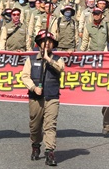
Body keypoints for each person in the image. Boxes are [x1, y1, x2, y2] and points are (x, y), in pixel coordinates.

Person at [21, 30, 64, 166]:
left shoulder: (57, 59)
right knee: (35, 125)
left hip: (52, 97)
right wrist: (34, 87)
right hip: (35, 97)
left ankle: (49, 152)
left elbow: (61, 69)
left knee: (50, 125)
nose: (47, 44)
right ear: (39, 44)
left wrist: (48, 60)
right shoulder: (31, 60)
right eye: (44, 42)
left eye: (50, 42)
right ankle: (35, 145)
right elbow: (24, 76)